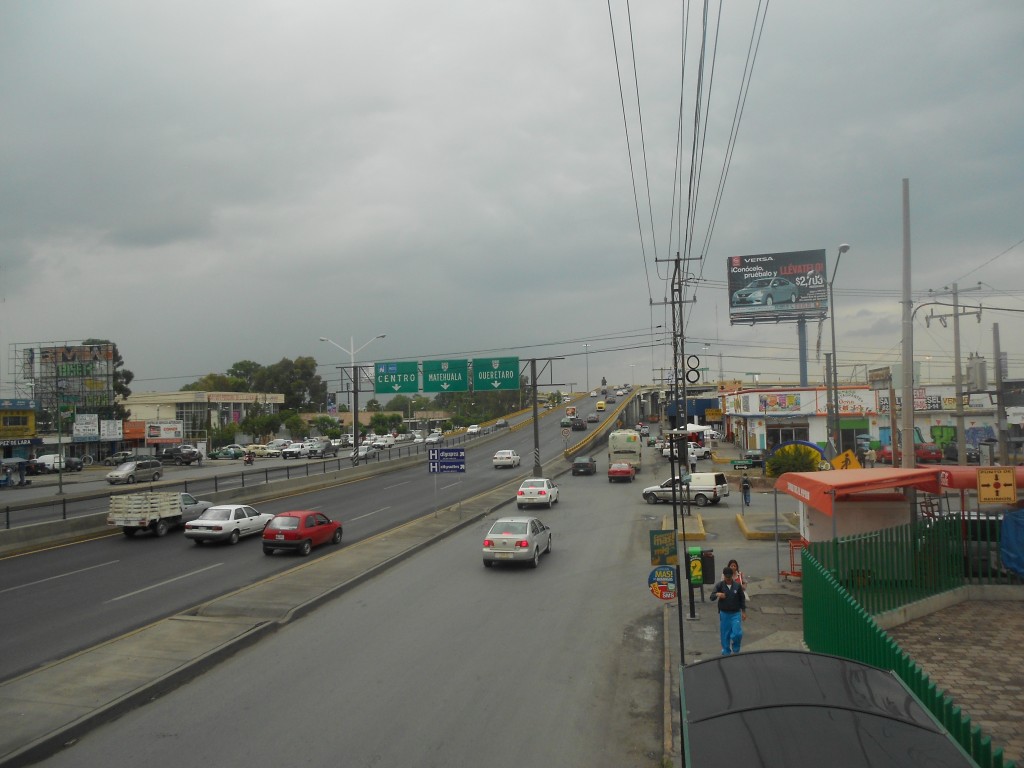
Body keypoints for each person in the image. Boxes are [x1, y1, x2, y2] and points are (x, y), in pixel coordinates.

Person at [710, 566, 746, 656]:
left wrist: (744, 612)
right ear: (724, 576)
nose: (728, 579)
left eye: (730, 577)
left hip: (736, 613)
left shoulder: (737, 586)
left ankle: (736, 648)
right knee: (725, 635)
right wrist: (718, 594)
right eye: (727, 577)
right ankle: (726, 652)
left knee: (737, 633)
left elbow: (742, 598)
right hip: (724, 613)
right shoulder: (720, 585)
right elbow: (712, 596)